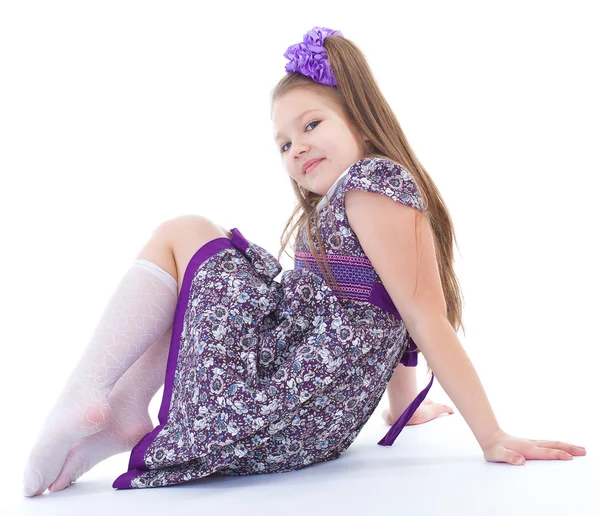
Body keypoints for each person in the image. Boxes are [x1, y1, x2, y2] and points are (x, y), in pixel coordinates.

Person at [22, 26, 586, 497]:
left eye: (311, 125)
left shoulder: (374, 184)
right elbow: (380, 305)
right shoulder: (351, 197)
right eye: (283, 144)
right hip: (304, 398)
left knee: (185, 232)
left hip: (292, 400)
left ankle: (96, 398)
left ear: (362, 120)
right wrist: (401, 406)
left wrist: (491, 435)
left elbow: (422, 317)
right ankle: (113, 405)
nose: (296, 150)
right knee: (198, 242)